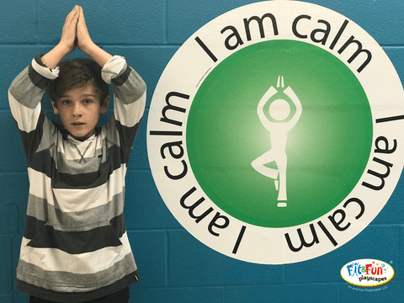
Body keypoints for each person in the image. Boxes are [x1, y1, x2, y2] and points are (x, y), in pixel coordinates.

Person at [8, 5, 146, 303]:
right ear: (55, 106)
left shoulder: (116, 142)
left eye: (87, 101)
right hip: (46, 282)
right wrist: (63, 47)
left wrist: (88, 46)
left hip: (109, 278)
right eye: (67, 102)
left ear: (103, 105)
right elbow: (20, 95)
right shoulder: (42, 141)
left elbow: (135, 91)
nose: (77, 111)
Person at [251, 76, 302, 206]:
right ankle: (275, 174)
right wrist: (272, 91)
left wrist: (288, 91)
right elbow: (260, 110)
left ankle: (282, 200)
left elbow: (298, 110)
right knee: (256, 164)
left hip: (281, 153)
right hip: (273, 152)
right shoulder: (271, 125)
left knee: (284, 178)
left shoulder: (286, 125)